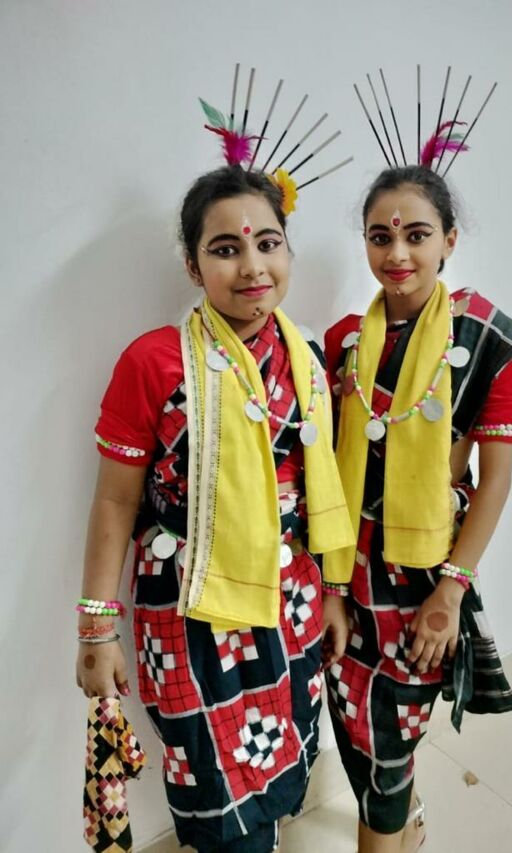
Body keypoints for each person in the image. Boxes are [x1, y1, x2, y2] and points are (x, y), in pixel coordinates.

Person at [75, 99, 355, 851]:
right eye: (226, 248)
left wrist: (332, 592)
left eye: (268, 242)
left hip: (290, 601)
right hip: (190, 610)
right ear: (193, 265)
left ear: (289, 251)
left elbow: (318, 489)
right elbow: (115, 500)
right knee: (211, 786)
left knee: (280, 757)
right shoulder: (153, 362)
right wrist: (96, 627)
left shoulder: (307, 359)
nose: (253, 265)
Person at [323, 89, 512, 853]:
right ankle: (404, 822)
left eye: (416, 234)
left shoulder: (485, 339)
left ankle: (391, 825)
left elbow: (495, 478)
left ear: (449, 240)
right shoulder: (345, 342)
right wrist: (332, 586)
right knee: (350, 716)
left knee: (392, 735)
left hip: (423, 575)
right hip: (346, 567)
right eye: (380, 236)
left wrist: (452, 589)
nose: (397, 254)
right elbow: (327, 471)